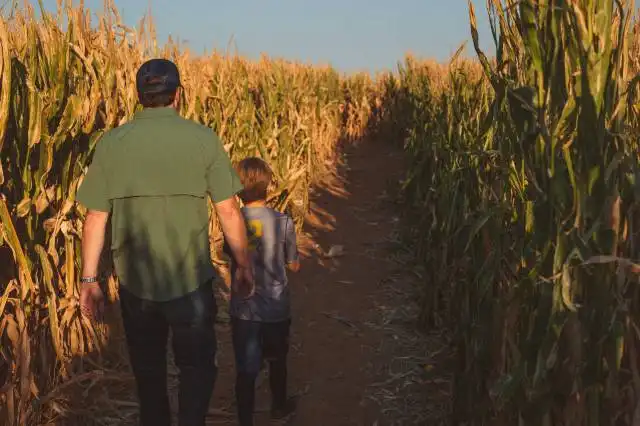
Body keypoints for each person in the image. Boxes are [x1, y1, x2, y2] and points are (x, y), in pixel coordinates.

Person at [76, 58, 254, 426]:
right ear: (179, 95)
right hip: (189, 283)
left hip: (136, 286)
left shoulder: (111, 144)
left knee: (149, 371)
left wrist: (89, 281)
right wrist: (243, 265)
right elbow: (230, 211)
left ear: (140, 96)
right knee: (197, 366)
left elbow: (95, 217)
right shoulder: (203, 139)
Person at [223, 157, 301, 426]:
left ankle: (246, 419)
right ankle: (279, 406)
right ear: (269, 186)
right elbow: (294, 264)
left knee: (246, 369)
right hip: (276, 307)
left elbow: (230, 256)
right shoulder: (283, 221)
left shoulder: (233, 223)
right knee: (278, 360)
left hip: (244, 308)